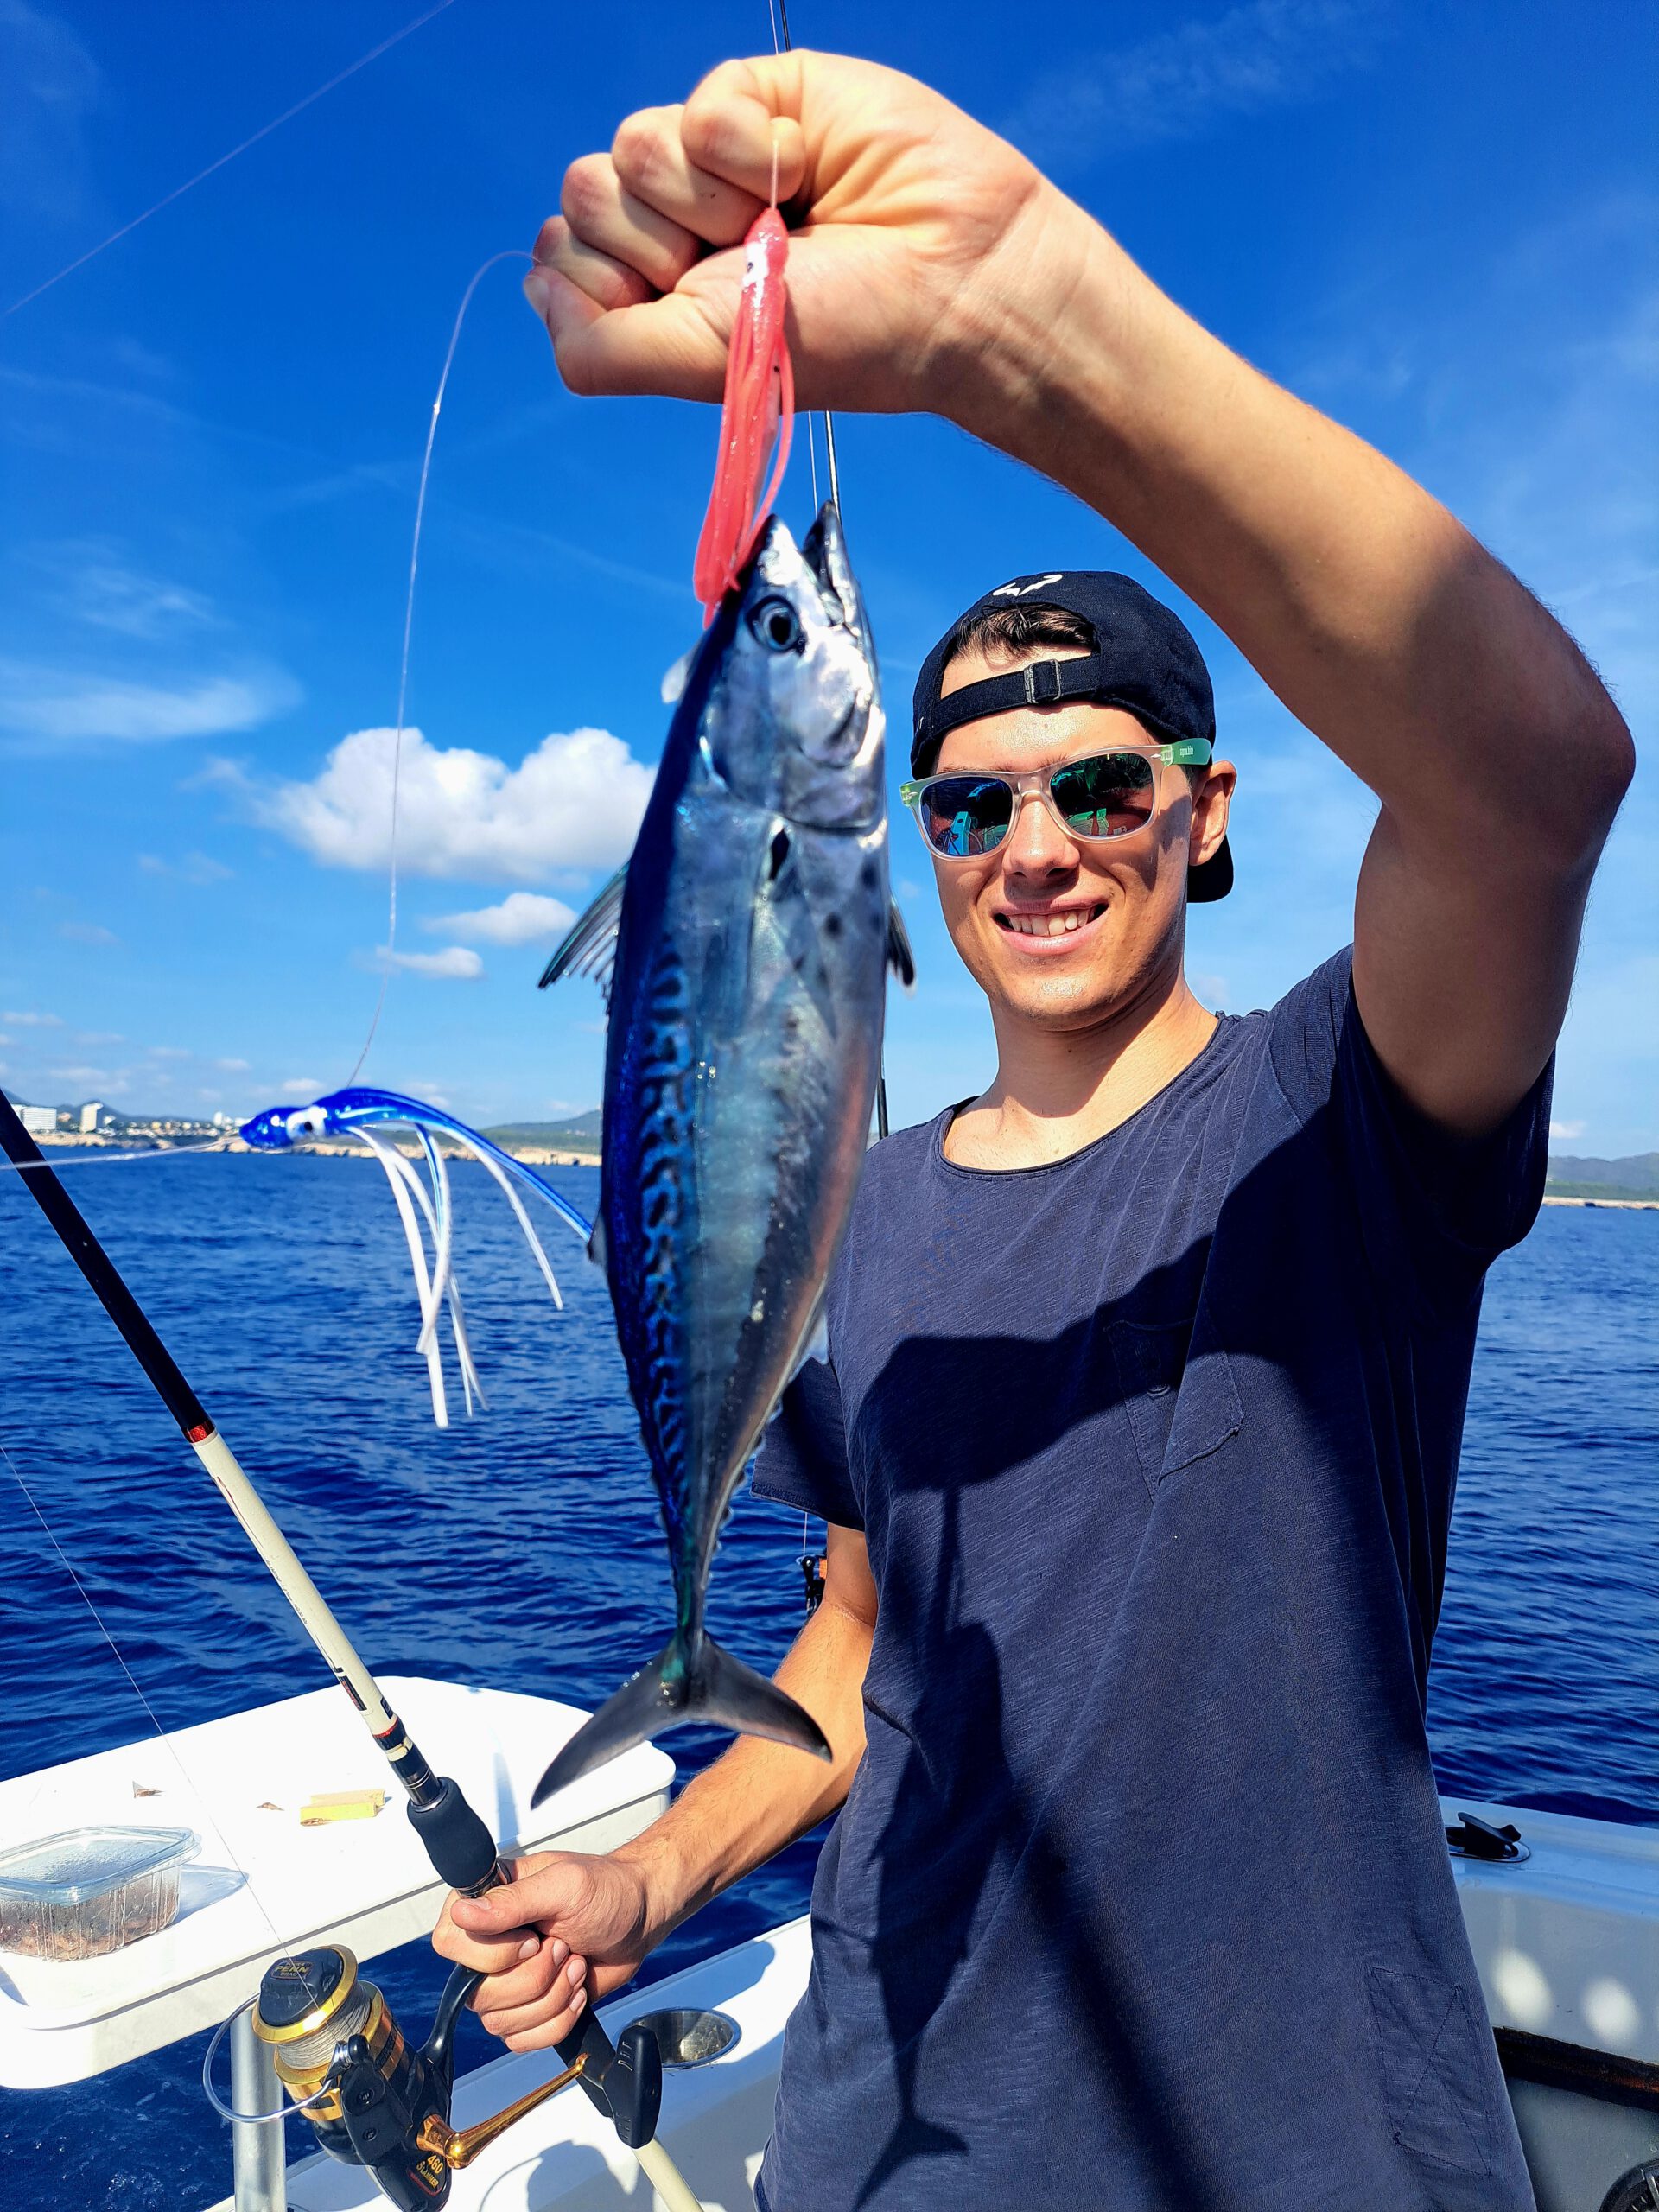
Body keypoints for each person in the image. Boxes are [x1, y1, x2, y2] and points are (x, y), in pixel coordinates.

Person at [433, 52, 1632, 2212]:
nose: (1040, 843)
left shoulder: (1338, 1118)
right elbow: (864, 1632)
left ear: (1207, 809)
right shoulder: (863, 1211)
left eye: (1102, 783)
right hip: (883, 2143)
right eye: (976, 801)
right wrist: (651, 1870)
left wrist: (1016, 331)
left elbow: (1533, 775)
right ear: (913, 838)